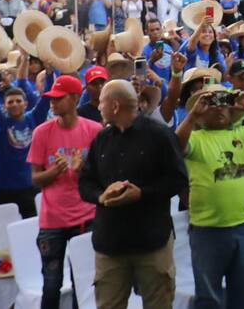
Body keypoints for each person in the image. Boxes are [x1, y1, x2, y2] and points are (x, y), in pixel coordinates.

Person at [77, 80, 187, 309]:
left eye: (102, 102)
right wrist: (101, 196)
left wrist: (142, 194)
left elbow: (178, 180)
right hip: (110, 244)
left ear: (115, 106)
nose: (98, 107)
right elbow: (85, 182)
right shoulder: (101, 139)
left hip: (152, 242)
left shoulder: (160, 135)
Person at [174, 84, 244, 309]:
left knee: (243, 294)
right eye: (211, 103)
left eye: (224, 103)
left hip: (243, 228)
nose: (219, 107)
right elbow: (176, 146)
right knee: (208, 298)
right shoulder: (196, 138)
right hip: (207, 231)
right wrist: (192, 115)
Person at [27, 74, 101, 309]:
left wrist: (81, 170)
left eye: (59, 98)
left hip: (86, 218)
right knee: (51, 284)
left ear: (75, 98)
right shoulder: (42, 132)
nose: (53, 102)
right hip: (53, 221)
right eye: (51, 98)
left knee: (83, 282)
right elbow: (35, 180)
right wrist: (55, 172)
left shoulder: (94, 130)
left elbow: (103, 176)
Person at [0, 57, 48, 219]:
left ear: (25, 104)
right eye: (10, 102)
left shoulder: (33, 118)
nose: (14, 104)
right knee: (4, 228)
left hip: (31, 186)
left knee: (32, 226)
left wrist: (49, 72)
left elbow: (46, 99)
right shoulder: (2, 122)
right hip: (5, 188)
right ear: (5, 106)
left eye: (18, 101)